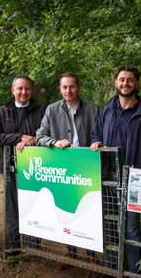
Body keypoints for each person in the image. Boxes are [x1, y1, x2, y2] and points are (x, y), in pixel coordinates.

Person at [91, 65, 141, 275]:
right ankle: (112, 269)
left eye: (130, 80)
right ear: (116, 83)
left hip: (135, 180)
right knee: (110, 227)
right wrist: (96, 142)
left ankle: (134, 272)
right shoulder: (107, 110)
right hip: (109, 180)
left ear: (137, 84)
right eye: (122, 79)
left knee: (132, 230)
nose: (125, 83)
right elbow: (96, 134)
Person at [36, 71, 100, 268]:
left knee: (87, 210)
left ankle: (91, 254)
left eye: (72, 86)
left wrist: (98, 141)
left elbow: (102, 132)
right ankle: (71, 253)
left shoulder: (92, 108)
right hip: (63, 170)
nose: (68, 90)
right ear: (60, 89)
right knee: (67, 210)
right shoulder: (52, 110)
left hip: (87, 168)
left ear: (79, 87)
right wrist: (53, 142)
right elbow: (39, 136)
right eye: (64, 87)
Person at [0, 74, 46, 253]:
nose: (24, 92)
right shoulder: (2, 112)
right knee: (13, 206)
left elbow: (48, 133)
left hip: (36, 166)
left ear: (32, 90)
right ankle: (15, 244)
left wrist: (32, 141)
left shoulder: (42, 110)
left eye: (27, 88)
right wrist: (19, 137)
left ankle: (33, 244)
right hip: (11, 166)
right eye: (20, 89)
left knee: (36, 204)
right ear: (13, 90)